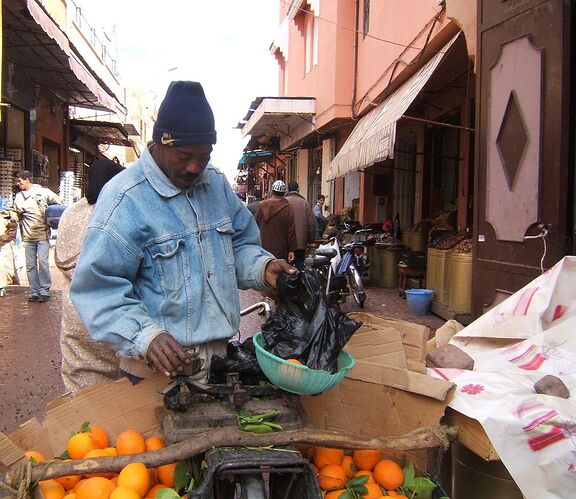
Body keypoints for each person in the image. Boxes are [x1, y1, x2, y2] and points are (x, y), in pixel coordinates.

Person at [70, 81, 295, 382]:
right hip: (155, 374)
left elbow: (239, 245)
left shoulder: (215, 183)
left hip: (217, 363)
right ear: (161, 143)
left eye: (203, 157)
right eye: (185, 156)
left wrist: (263, 267)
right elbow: (97, 288)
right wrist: (145, 336)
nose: (194, 168)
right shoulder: (125, 198)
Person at [55, 158, 124, 393]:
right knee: (119, 383)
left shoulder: (72, 212)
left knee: (79, 376)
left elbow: (60, 256)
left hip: (75, 307)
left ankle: (81, 424)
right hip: (107, 309)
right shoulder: (119, 213)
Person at [11, 170, 62, 302]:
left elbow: (58, 202)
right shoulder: (19, 197)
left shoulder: (42, 192)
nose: (18, 184)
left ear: (27, 180)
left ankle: (44, 290)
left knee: (43, 263)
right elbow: (16, 214)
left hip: (42, 236)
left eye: (20, 181)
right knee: (30, 266)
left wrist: (50, 216)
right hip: (28, 237)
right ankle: (35, 291)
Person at [254, 180, 297, 262]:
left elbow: (254, 226)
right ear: (284, 193)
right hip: (280, 249)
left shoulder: (262, 205)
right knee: (278, 272)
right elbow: (291, 231)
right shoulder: (287, 208)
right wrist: (291, 249)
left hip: (263, 247)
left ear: (272, 192)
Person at [285, 181, 315, 270]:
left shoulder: (283, 202)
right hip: (301, 241)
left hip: (286, 242)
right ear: (298, 190)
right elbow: (311, 223)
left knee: (286, 266)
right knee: (300, 264)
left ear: (288, 190)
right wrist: (311, 239)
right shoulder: (305, 203)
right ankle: (300, 282)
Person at [0, 209, 18, 297]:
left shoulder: (6, 216)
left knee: (3, 266)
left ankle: (1, 287)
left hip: (3, 244)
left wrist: (5, 238)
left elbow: (13, 227)